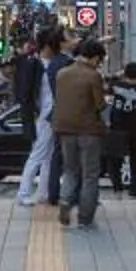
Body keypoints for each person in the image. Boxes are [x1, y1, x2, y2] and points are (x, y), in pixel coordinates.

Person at [51, 38, 110, 228]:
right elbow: (100, 105)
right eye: (99, 60)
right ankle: (85, 217)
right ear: (95, 58)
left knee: (70, 170)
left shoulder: (62, 73)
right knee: (90, 174)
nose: (99, 64)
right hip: (88, 130)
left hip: (64, 129)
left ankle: (65, 200)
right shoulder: (93, 76)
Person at [15, 26, 66, 207]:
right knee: (38, 154)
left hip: (51, 114)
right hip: (43, 116)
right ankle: (24, 192)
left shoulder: (49, 64)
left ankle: (42, 191)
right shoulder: (34, 64)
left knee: (48, 155)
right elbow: (27, 94)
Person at [108, 62, 136, 196]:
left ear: (124, 73)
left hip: (118, 128)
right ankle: (134, 190)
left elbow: (106, 81)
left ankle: (117, 187)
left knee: (115, 159)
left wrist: (116, 75)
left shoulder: (116, 87)